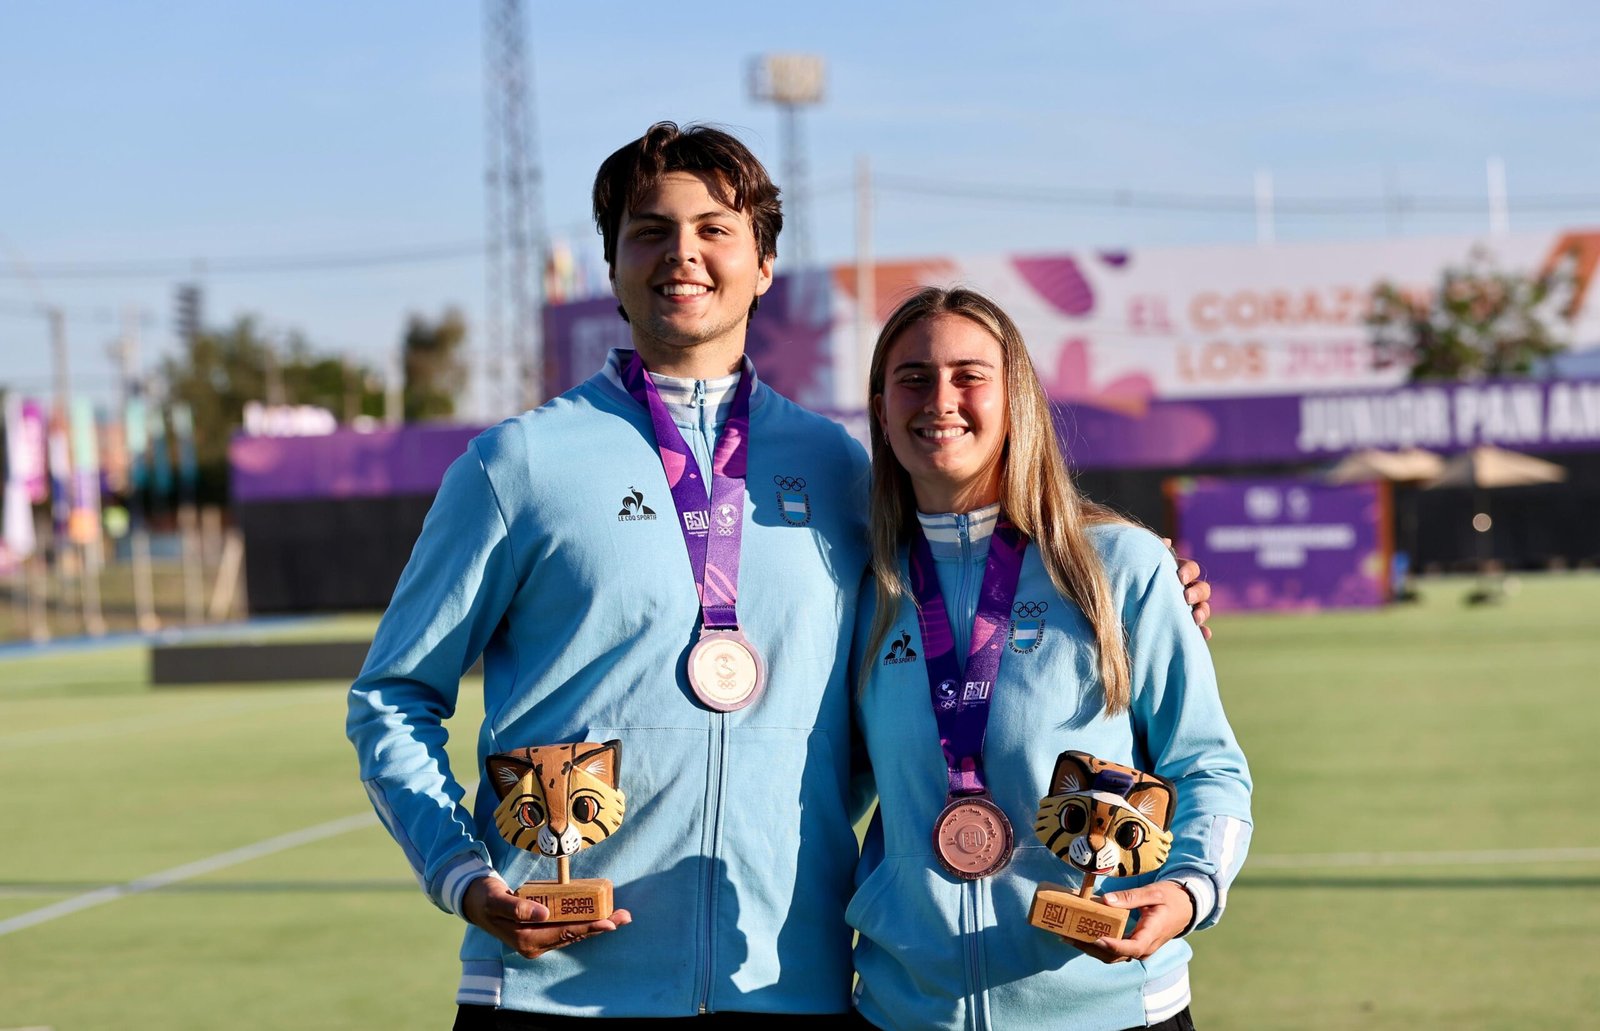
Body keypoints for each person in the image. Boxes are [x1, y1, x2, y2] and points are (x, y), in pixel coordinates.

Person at [347, 123, 1214, 1027]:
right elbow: (391, 696)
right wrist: (463, 873)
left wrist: (1147, 588)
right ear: (611, 269)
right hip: (551, 982)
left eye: (715, 228)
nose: (682, 252)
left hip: (787, 986)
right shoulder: (518, 465)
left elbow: (966, 611)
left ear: (765, 265)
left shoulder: (842, 471)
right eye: (650, 230)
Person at [848, 287, 1252, 1031]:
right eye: (913, 377)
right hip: (909, 1012)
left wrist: (1191, 886)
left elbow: (1208, 765)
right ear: (880, 409)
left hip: (1109, 1008)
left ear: (1017, 400)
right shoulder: (862, 589)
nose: (940, 398)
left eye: (970, 374)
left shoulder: (1119, 566)